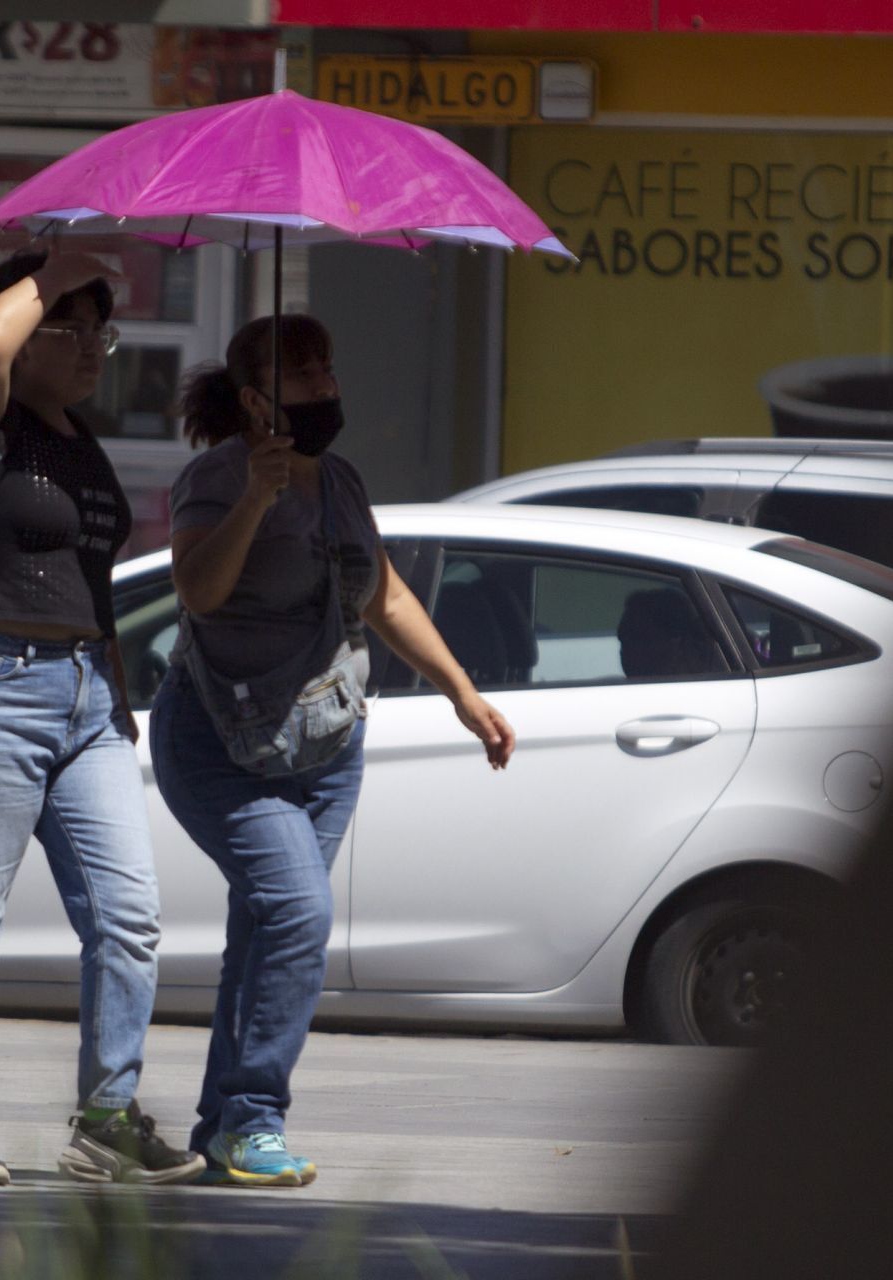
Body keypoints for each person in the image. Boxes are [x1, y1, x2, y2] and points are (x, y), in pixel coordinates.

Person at [151, 314, 517, 1187]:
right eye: (302, 373)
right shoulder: (217, 477)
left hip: (324, 740)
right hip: (220, 742)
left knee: (271, 926)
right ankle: (254, 1117)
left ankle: (227, 1125)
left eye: (327, 367)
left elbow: (382, 593)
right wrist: (255, 499)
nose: (325, 385)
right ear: (253, 399)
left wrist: (463, 693)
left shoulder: (343, 481)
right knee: (299, 913)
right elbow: (198, 591)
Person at [0, 249, 204, 1188]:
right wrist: (56, 262)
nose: (91, 349)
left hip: (84, 699)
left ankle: (106, 1120)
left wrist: (112, 689)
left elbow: (95, 583)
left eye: (99, 330)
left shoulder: (80, 441)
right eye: (68, 328)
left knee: (130, 918)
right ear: (26, 333)